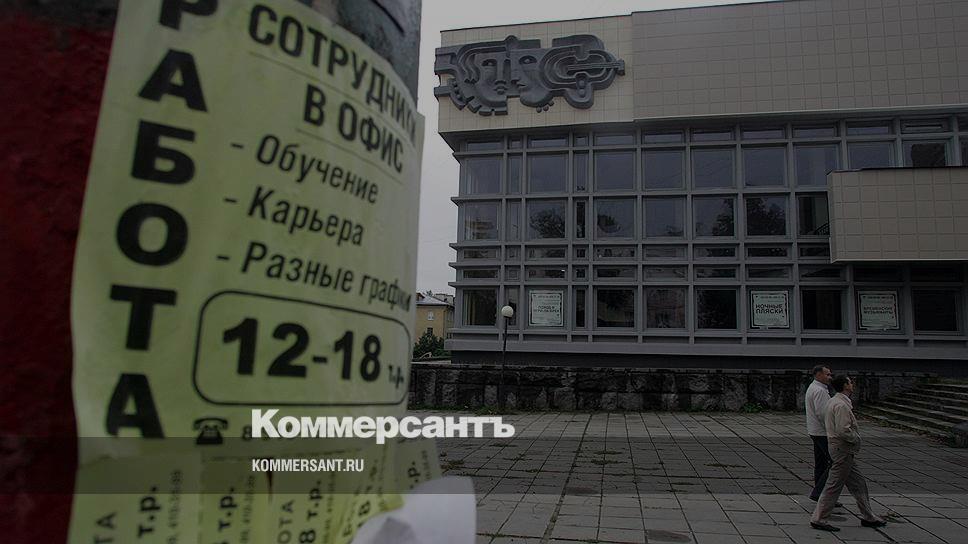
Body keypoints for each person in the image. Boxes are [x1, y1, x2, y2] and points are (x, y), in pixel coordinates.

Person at [810, 376, 886, 532]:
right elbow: (843, 430)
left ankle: (868, 515)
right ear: (845, 386)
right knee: (833, 485)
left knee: (858, 483)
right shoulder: (841, 405)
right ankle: (819, 518)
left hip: (841, 449)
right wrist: (856, 438)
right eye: (850, 382)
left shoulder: (835, 401)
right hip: (842, 449)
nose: (852, 384)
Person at [805, 364, 833, 502]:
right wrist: (831, 429)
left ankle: (820, 493)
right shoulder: (820, 391)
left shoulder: (813, 387)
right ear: (818, 375)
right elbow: (822, 414)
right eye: (827, 374)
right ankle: (819, 492)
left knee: (821, 463)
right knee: (834, 463)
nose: (830, 377)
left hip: (815, 430)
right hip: (822, 432)